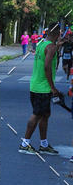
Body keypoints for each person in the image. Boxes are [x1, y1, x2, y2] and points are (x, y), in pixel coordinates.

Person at [19, 23, 63, 155]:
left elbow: (48, 55)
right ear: (57, 34)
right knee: (37, 114)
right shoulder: (51, 47)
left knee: (45, 115)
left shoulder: (42, 45)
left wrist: (58, 47)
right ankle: (24, 144)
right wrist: (53, 87)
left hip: (35, 85)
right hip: (43, 88)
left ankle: (43, 144)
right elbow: (48, 67)